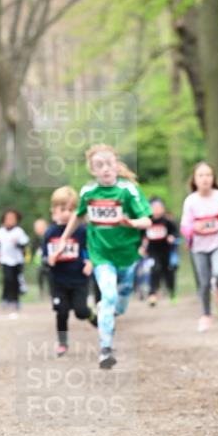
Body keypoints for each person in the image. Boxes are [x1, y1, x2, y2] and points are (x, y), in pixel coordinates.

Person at [52, 143, 152, 369]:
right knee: (108, 296)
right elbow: (77, 218)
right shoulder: (88, 192)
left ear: (116, 165)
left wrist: (131, 222)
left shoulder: (128, 191)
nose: (105, 169)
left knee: (121, 302)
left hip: (127, 255)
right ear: (92, 170)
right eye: (99, 165)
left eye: (109, 164)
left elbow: (147, 220)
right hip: (101, 255)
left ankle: (109, 312)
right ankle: (105, 348)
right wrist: (63, 241)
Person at [44, 186, 97, 356]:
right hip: (58, 280)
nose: (67, 213)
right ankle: (62, 343)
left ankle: (95, 319)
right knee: (62, 312)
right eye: (63, 209)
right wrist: (50, 259)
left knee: (81, 312)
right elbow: (45, 256)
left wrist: (90, 261)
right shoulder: (50, 232)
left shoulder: (81, 231)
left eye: (71, 209)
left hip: (79, 279)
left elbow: (88, 249)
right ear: (54, 210)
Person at [180, 162, 218, 332]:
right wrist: (194, 228)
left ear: (213, 177)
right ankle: (206, 315)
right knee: (203, 282)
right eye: (201, 175)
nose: (205, 178)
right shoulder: (191, 201)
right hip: (199, 248)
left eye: (208, 175)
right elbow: (184, 226)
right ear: (194, 179)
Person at [0, 208, 29, 317]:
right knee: (7, 279)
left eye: (12, 218)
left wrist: (17, 244)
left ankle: (15, 301)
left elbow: (24, 245)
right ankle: (5, 299)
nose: (10, 220)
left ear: (17, 220)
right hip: (5, 260)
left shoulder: (19, 231)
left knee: (15, 281)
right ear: (3, 220)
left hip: (17, 261)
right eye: (8, 218)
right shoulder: (1, 232)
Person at [143, 197, 178, 306]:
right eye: (154, 208)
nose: (156, 210)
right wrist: (141, 246)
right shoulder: (147, 221)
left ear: (163, 209)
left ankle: (172, 292)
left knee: (168, 272)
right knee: (155, 269)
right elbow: (141, 235)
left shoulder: (167, 221)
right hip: (152, 251)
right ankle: (152, 293)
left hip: (166, 251)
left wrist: (172, 236)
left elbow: (175, 231)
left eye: (159, 207)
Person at [32, 218, 51, 295]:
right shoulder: (36, 239)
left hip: (49, 260)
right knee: (40, 276)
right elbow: (33, 249)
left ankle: (51, 292)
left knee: (50, 277)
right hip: (39, 262)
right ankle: (41, 291)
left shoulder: (49, 235)